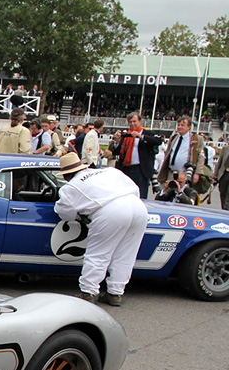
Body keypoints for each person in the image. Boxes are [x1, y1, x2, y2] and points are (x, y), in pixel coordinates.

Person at [55, 152, 147, 306]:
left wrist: (81, 215)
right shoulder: (110, 171)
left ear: (65, 176)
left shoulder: (70, 186)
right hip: (137, 206)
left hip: (110, 212)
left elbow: (65, 212)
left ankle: (88, 291)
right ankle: (115, 293)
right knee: (126, 254)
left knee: (98, 253)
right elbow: (135, 189)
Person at [109, 112, 161, 198]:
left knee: (141, 195)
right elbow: (116, 152)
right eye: (130, 122)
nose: (132, 124)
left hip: (140, 169)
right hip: (126, 168)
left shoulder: (147, 133)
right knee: (125, 195)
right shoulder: (126, 135)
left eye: (134, 121)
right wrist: (117, 142)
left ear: (140, 121)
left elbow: (158, 141)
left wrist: (141, 137)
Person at [156, 116, 209, 193]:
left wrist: (197, 173)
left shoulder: (196, 139)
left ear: (189, 127)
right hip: (171, 172)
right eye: (179, 125)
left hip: (184, 174)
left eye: (182, 125)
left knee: (181, 196)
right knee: (166, 194)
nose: (180, 127)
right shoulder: (174, 137)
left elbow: (201, 157)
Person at [213, 140, 229, 210]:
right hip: (224, 174)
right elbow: (219, 162)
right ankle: (224, 209)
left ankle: (226, 209)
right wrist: (215, 174)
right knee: (223, 191)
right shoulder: (226, 149)